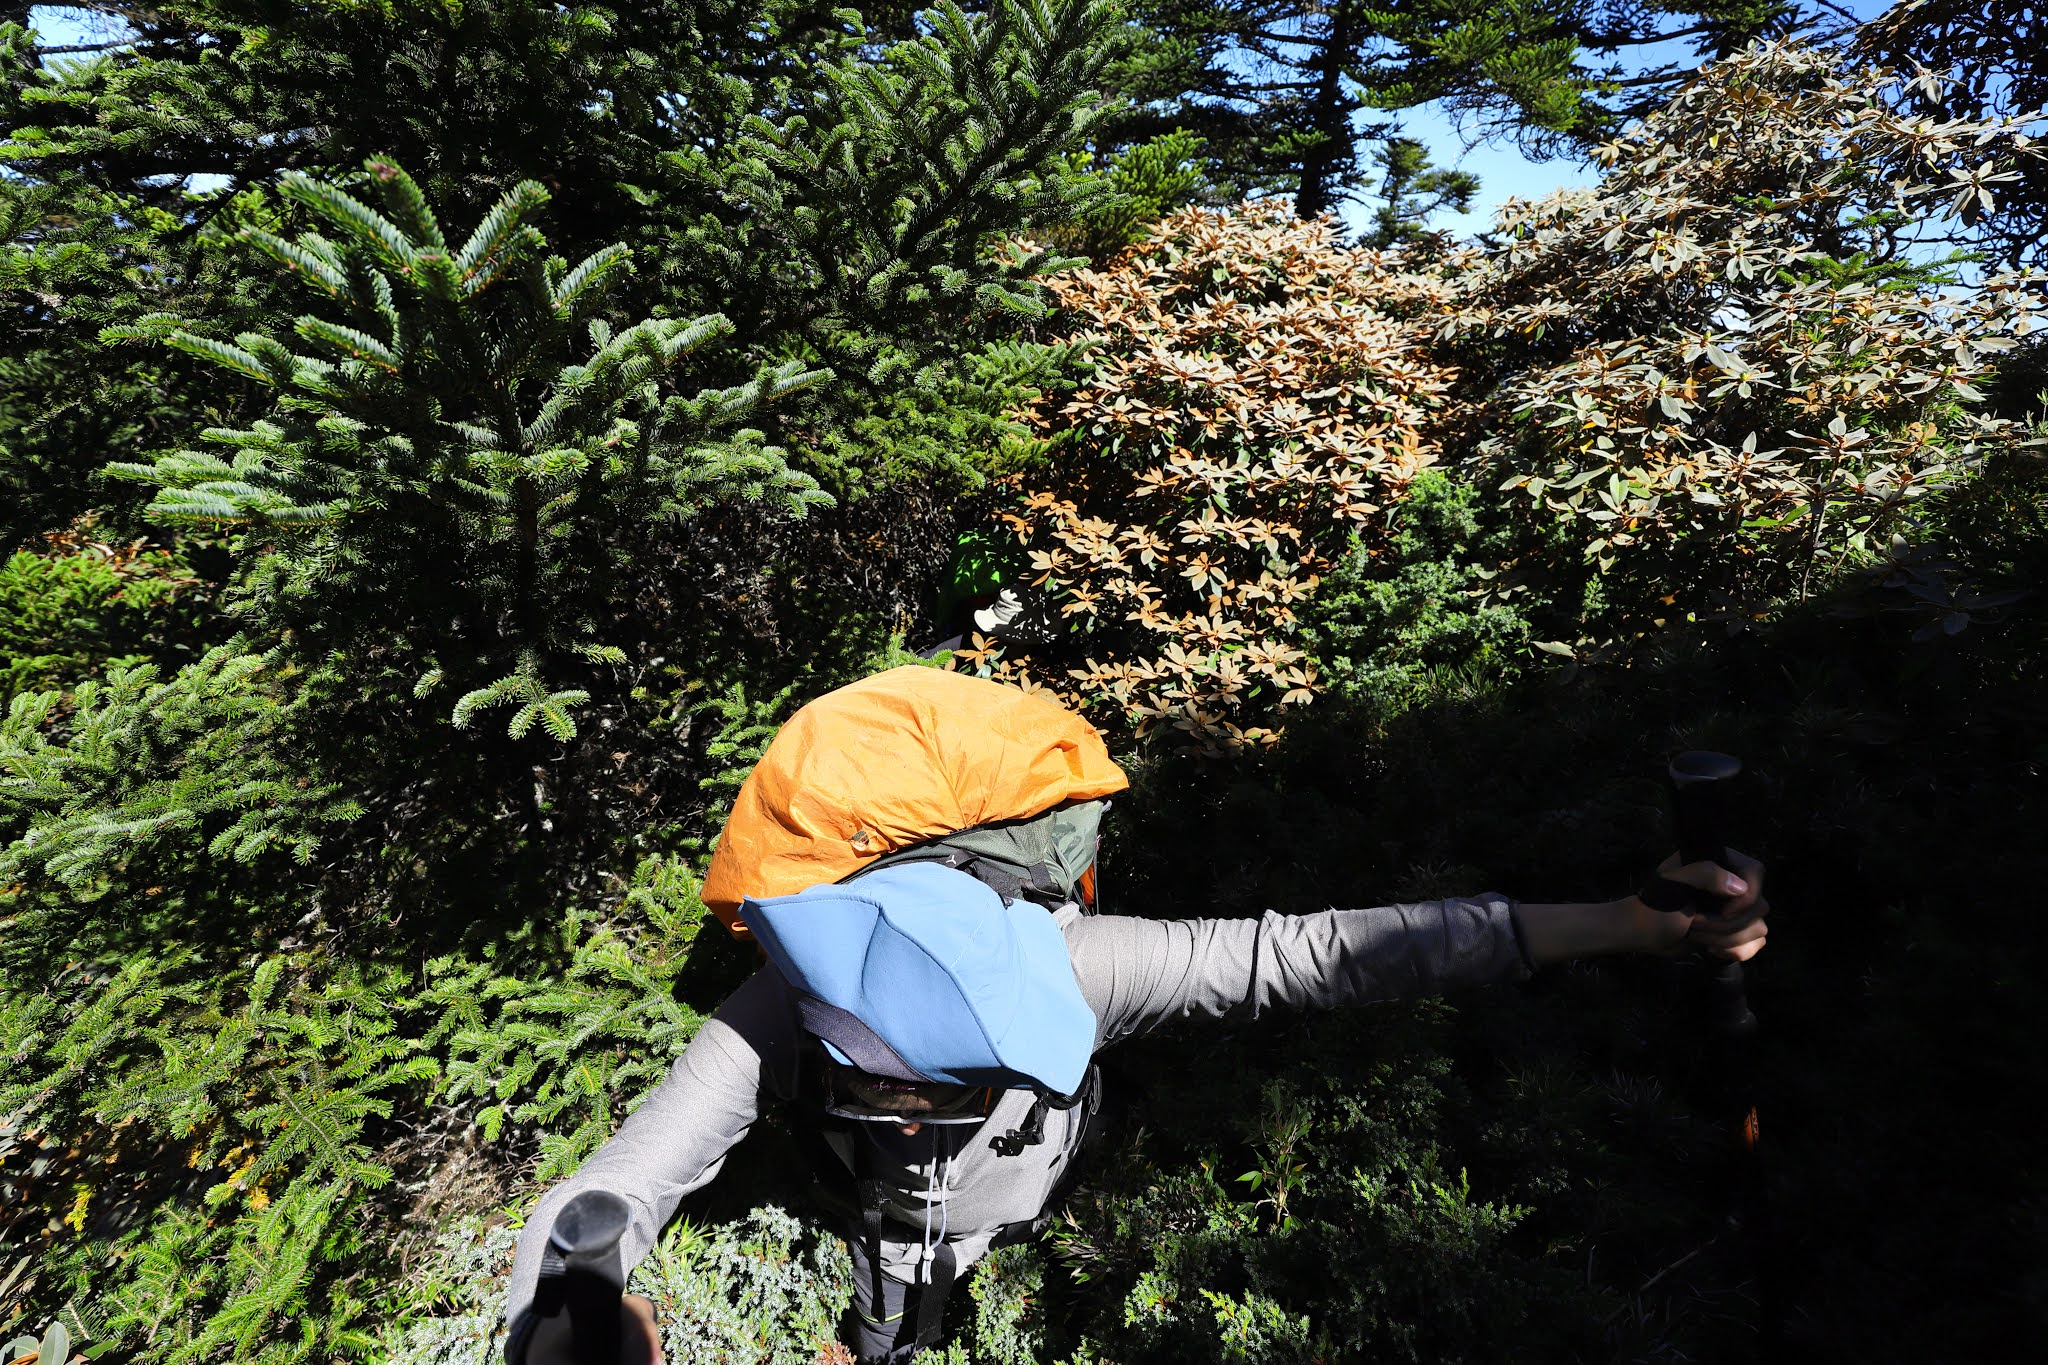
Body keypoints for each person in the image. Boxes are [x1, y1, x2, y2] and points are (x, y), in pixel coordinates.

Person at [504, 848, 1769, 1364]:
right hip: (887, 1226)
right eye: (896, 1090)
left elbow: (1330, 952)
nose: (911, 1113)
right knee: (898, 1303)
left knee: (923, 1283)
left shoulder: (1083, 962)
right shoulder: (778, 1004)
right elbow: (624, 1182)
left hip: (994, 1209)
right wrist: (565, 1311)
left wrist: (1625, 925)